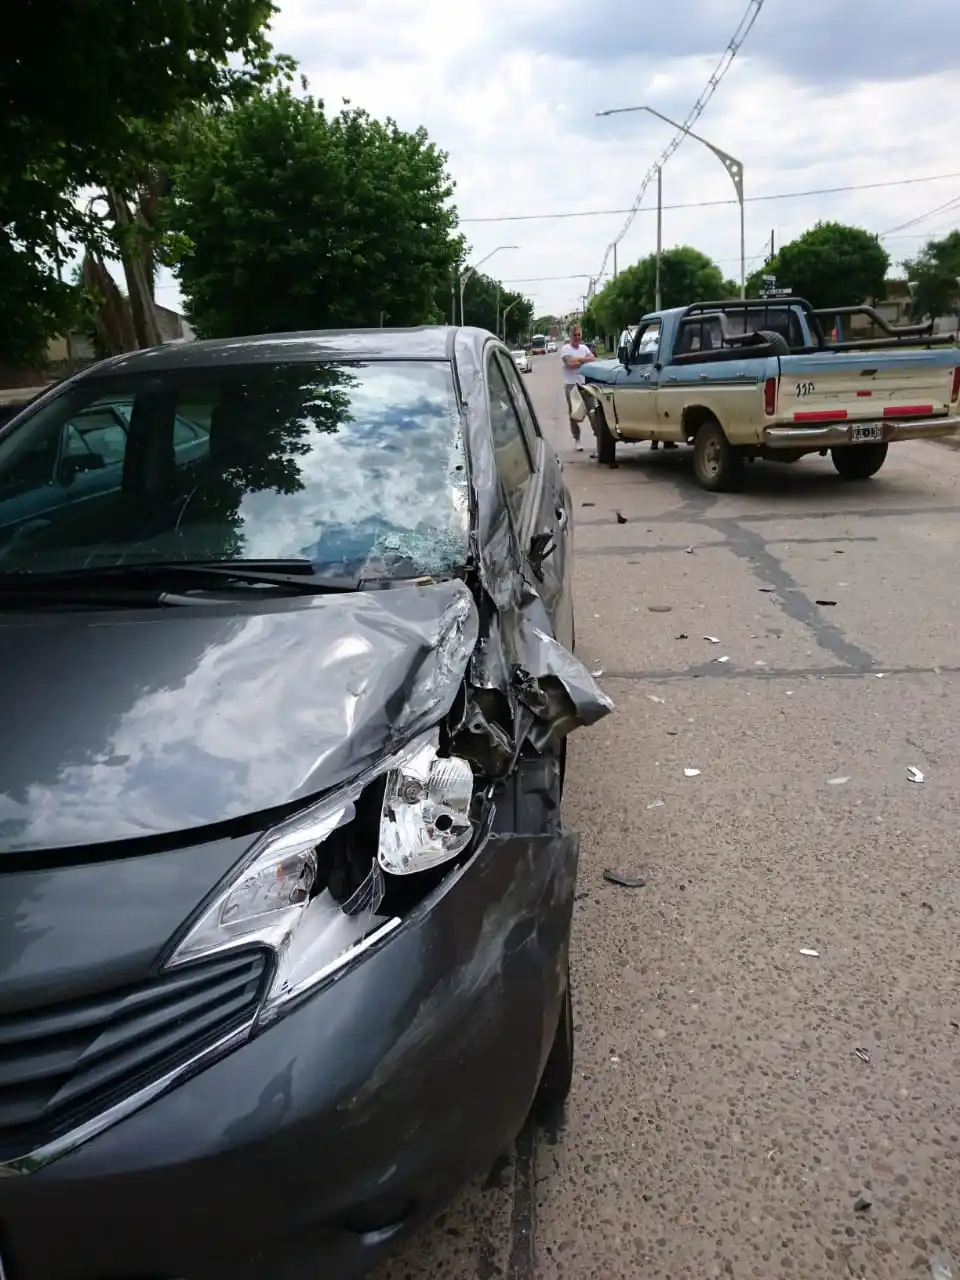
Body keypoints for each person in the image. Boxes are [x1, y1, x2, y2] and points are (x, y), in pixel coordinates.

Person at [561, 325, 596, 451]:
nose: (577, 337)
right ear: (571, 336)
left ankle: (598, 437)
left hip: (585, 385)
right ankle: (577, 439)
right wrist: (584, 361)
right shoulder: (566, 349)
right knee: (574, 414)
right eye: (574, 335)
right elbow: (570, 364)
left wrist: (578, 360)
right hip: (571, 386)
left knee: (593, 411)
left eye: (579, 335)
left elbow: (593, 359)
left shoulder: (584, 348)